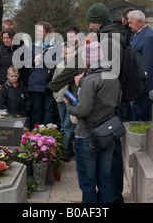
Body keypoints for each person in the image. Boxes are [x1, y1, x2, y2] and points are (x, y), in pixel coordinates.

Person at [65, 41, 120, 203]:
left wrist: (69, 106)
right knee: (105, 179)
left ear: (88, 60)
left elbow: (83, 110)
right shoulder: (113, 77)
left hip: (87, 135)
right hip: (108, 133)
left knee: (88, 182)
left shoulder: (90, 80)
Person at [27, 21, 61, 128]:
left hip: (50, 83)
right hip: (35, 84)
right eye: (37, 31)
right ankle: (35, 135)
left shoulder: (57, 46)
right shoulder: (33, 46)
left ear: (49, 32)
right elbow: (24, 63)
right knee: (36, 110)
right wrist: (33, 60)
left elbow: (60, 62)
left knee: (49, 110)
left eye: (41, 31)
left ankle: (48, 136)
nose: (38, 33)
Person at [127, 10, 153, 121]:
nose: (129, 25)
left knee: (141, 113)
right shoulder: (137, 34)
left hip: (141, 83)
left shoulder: (149, 36)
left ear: (140, 21)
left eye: (131, 22)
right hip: (135, 81)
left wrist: (143, 82)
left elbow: (148, 62)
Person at [52, 42, 76, 161]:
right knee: (63, 126)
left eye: (71, 52)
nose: (69, 55)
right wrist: (56, 96)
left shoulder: (77, 66)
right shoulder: (60, 66)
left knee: (68, 125)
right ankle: (66, 149)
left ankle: (66, 150)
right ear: (62, 54)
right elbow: (55, 81)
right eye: (67, 53)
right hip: (60, 100)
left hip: (71, 101)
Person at [0, 28, 19, 108]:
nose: (6, 40)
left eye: (8, 38)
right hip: (1, 87)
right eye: (4, 38)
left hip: (15, 88)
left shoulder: (19, 51)